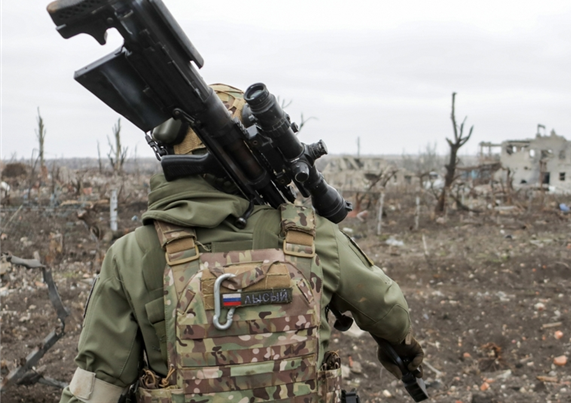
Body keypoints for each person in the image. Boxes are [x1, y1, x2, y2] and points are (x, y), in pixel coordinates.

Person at [59, 84, 423, 403]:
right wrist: (406, 361)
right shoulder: (313, 236)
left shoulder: (131, 254)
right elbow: (390, 314)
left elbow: (98, 382)